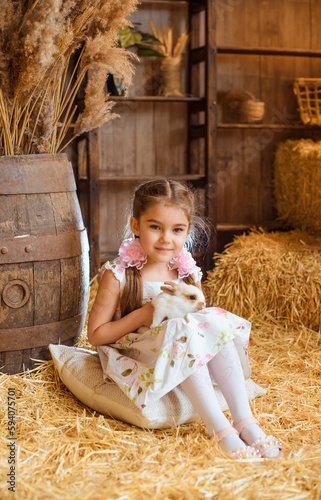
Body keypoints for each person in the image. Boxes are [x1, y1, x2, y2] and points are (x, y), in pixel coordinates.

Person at [88, 178, 282, 459]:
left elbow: (201, 321)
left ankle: (245, 421)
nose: (166, 238)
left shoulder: (186, 270)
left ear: (187, 231)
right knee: (183, 327)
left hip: (182, 348)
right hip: (139, 350)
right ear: (135, 226)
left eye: (177, 230)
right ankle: (221, 430)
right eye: (155, 227)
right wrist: (145, 313)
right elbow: (95, 335)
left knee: (213, 321)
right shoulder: (118, 274)